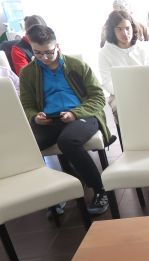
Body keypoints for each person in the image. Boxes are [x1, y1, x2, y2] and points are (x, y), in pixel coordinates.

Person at [19, 25, 110, 215]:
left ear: (57, 46)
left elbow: (98, 97)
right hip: (49, 120)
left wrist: (76, 113)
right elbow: (26, 105)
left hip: (82, 115)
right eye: (37, 53)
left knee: (68, 141)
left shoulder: (77, 65)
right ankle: (54, 194)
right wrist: (35, 117)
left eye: (48, 52)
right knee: (28, 147)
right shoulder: (28, 73)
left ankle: (100, 189)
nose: (44, 58)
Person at [98, 10, 149, 125]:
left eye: (127, 28)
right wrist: (129, 93)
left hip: (147, 91)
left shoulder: (145, 48)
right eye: (119, 29)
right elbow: (107, 82)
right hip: (120, 95)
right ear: (112, 31)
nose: (125, 33)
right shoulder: (105, 53)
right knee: (126, 107)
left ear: (132, 27)